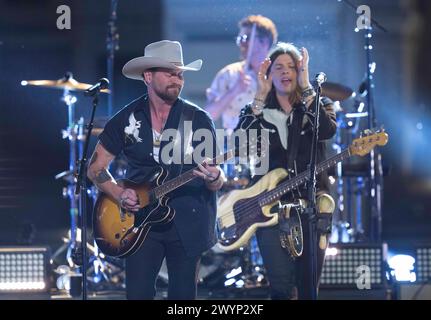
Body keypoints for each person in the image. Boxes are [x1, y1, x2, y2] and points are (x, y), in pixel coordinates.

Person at [87, 40, 224, 300]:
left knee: (183, 298)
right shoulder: (126, 119)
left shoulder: (197, 120)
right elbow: (95, 168)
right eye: (170, 73)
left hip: (188, 219)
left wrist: (216, 178)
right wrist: (118, 193)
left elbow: (214, 177)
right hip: (139, 221)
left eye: (180, 74)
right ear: (148, 76)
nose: (177, 79)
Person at [233, 42, 337, 299]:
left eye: (292, 66)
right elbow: (240, 145)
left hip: (311, 207)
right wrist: (259, 95)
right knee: (279, 287)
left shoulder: (318, 104)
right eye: (278, 67)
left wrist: (308, 88)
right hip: (269, 209)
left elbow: (326, 131)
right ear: (268, 75)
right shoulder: (255, 111)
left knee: (308, 287)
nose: (285, 71)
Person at [206, 14, 278, 134]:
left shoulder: (278, 76)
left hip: (271, 147)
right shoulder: (229, 74)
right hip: (235, 146)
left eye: (246, 38)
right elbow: (208, 114)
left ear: (264, 43)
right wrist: (235, 91)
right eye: (239, 39)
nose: (241, 43)